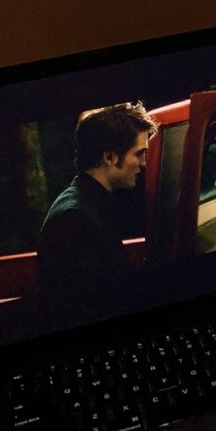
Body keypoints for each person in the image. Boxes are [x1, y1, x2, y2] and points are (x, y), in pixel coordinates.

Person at [37, 102, 157, 320]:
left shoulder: (88, 203)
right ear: (109, 157)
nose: (144, 163)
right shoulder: (76, 217)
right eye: (139, 154)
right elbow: (93, 307)